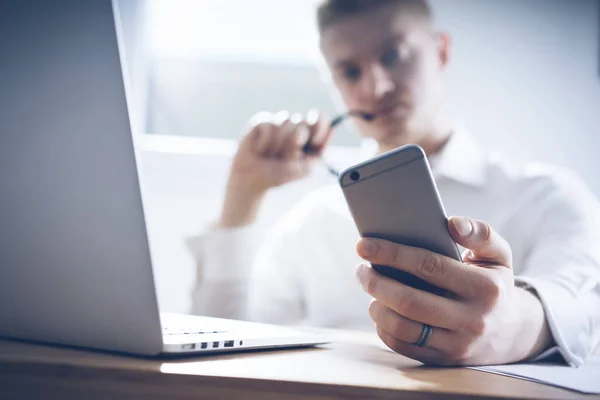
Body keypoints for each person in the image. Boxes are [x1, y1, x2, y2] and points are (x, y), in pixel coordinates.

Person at [186, 0, 600, 366]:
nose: (376, 88)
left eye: (394, 55)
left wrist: (515, 326)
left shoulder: (549, 196)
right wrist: (242, 197)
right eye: (349, 72)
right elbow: (222, 346)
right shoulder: (309, 224)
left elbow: (583, 310)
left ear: (441, 51)